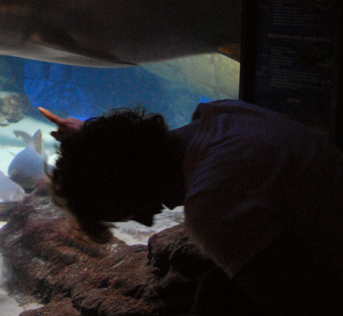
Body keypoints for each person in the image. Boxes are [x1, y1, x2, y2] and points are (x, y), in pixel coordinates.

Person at [37, 100, 343, 316]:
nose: (147, 220)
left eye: (133, 209)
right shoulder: (223, 114)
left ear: (132, 183)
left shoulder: (212, 203)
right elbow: (123, 154)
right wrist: (89, 137)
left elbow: (311, 305)